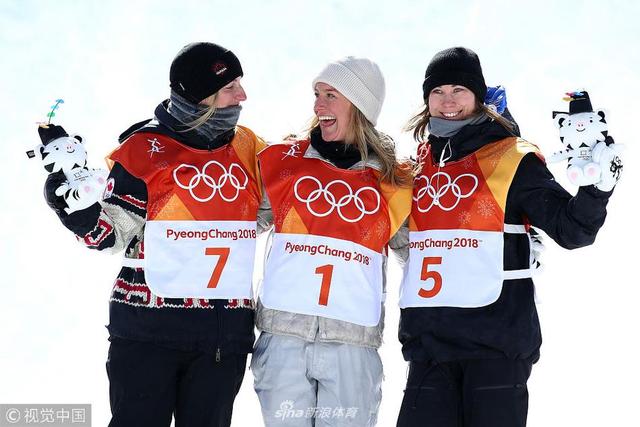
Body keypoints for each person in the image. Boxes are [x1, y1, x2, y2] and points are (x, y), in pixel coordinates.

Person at [40, 42, 270, 427]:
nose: (243, 95)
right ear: (201, 96)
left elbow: (278, 213)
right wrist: (75, 206)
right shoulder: (143, 149)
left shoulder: (249, 148)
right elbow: (108, 235)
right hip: (147, 335)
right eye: (231, 86)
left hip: (221, 340)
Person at [396, 47, 622, 427]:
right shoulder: (415, 167)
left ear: (479, 97)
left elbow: (572, 230)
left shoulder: (511, 159)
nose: (448, 101)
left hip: (495, 350)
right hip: (429, 351)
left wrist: (597, 188)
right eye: (438, 92)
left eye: (459, 90)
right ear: (426, 99)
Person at [251, 56, 412, 426]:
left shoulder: (393, 180)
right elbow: (235, 221)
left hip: (352, 345)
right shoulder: (283, 163)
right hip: (283, 339)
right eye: (316, 94)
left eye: (330, 95)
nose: (318, 105)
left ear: (359, 105)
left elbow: (424, 246)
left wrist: (513, 239)